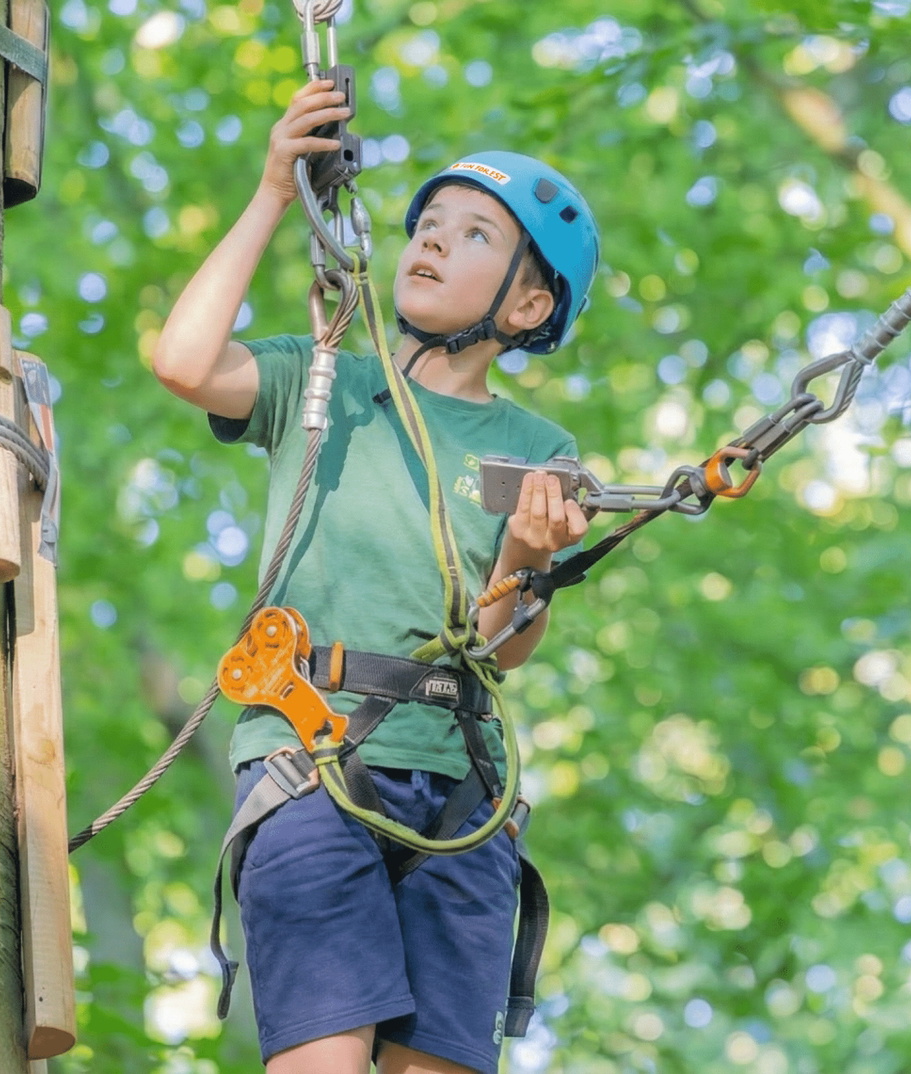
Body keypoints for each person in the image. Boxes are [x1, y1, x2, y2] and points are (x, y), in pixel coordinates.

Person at [151, 78, 597, 1074]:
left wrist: (525, 559)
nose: (433, 240)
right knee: (321, 1057)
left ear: (529, 303)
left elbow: (506, 646)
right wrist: (276, 189)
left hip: (463, 793)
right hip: (311, 761)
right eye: (429, 223)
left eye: (476, 234)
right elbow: (184, 362)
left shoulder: (537, 447)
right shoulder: (325, 382)